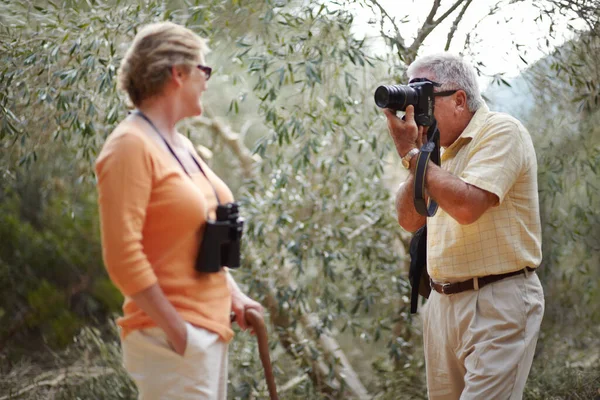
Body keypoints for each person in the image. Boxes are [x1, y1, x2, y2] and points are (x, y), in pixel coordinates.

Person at [95, 21, 263, 399]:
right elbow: (122, 255)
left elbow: (195, 235)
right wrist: (179, 334)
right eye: (204, 70)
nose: (207, 80)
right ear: (178, 73)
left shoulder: (181, 144)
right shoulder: (129, 146)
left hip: (205, 332)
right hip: (172, 341)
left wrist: (232, 294)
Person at [384, 53, 544, 399]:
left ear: (459, 99)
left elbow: (468, 206)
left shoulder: (501, 132)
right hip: (441, 305)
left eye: (423, 97)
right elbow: (409, 218)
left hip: (497, 300)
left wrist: (413, 156)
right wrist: (415, 154)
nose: (415, 109)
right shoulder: (436, 152)